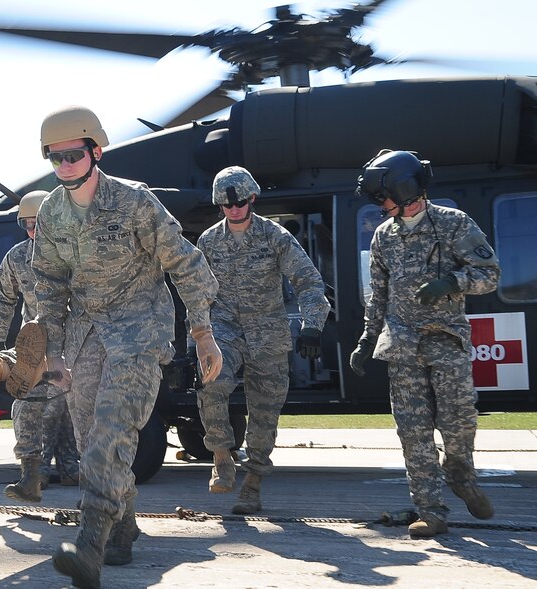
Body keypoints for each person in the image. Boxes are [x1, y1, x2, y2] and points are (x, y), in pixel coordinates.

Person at [31, 105, 222, 588]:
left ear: (96, 150)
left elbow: (186, 263)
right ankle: (124, 529)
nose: (65, 165)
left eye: (74, 154)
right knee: (88, 440)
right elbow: (49, 282)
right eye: (54, 158)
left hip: (138, 330)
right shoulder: (52, 211)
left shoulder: (135, 202)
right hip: (85, 335)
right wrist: (51, 350)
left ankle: (90, 544)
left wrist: (202, 331)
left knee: (110, 436)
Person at [351, 149, 500, 538]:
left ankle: (461, 475)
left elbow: (489, 274)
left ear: (402, 189)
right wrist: (367, 338)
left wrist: (454, 282)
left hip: (445, 341)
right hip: (402, 344)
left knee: (458, 423)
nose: (379, 206)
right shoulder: (384, 236)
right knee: (413, 431)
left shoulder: (453, 224)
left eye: (381, 196)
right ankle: (430, 512)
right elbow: (378, 295)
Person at [196, 166, 331, 515]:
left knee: (265, 411)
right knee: (212, 383)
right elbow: (195, 293)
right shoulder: (209, 241)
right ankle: (222, 456)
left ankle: (253, 483)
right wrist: (196, 338)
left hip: (267, 332)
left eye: (240, 202)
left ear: (252, 198)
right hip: (224, 327)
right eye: (227, 205)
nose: (234, 209)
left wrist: (312, 325)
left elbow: (308, 281)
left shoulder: (276, 237)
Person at [0, 190, 80, 501]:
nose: (32, 231)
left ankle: (70, 468)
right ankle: (32, 472)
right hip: (35, 344)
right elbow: (4, 298)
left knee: (65, 405)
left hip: (76, 341)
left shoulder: (74, 252)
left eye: (38, 223)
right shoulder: (16, 258)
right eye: (26, 225)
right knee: (26, 400)